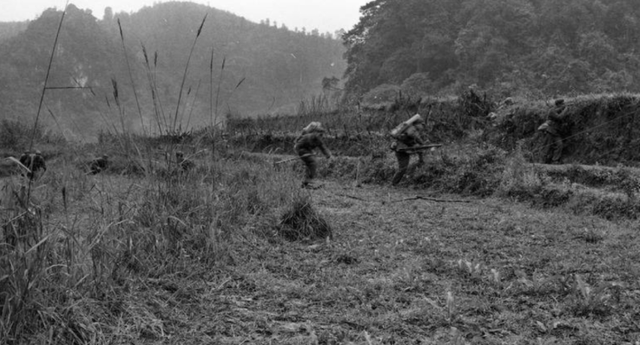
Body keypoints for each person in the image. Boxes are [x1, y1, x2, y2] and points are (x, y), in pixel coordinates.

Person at [390, 114, 426, 186]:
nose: (422, 127)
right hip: (401, 149)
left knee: (403, 167)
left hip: (403, 148)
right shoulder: (412, 129)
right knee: (403, 167)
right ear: (418, 124)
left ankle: (421, 161)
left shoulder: (410, 129)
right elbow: (412, 135)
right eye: (422, 125)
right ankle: (393, 183)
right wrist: (421, 142)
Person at [294, 122, 332, 188]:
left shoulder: (318, 139)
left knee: (310, 164)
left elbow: (322, 147)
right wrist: (303, 153)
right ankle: (309, 181)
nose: (321, 136)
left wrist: (328, 155)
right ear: (315, 133)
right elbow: (297, 146)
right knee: (313, 162)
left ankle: (306, 181)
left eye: (321, 135)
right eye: (319, 134)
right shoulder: (307, 137)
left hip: (308, 151)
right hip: (301, 150)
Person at [539, 99, 568, 164]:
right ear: (558, 105)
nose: (563, 105)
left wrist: (563, 109)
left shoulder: (557, 110)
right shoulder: (551, 111)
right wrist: (565, 109)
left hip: (556, 132)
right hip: (550, 131)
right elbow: (559, 117)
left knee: (560, 145)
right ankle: (542, 161)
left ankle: (555, 160)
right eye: (562, 104)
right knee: (547, 147)